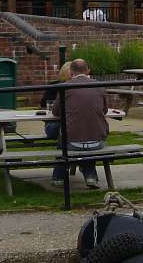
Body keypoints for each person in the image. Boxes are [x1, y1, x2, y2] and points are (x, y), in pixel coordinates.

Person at [50, 58, 108, 189]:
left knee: (64, 136)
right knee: (85, 135)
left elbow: (55, 112)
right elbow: (105, 110)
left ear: (71, 73)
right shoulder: (99, 86)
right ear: (88, 71)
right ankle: (91, 176)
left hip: (71, 143)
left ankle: (58, 178)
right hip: (97, 142)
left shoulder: (65, 87)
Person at [39, 62, 72, 140]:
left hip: (69, 124)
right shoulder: (54, 87)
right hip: (55, 124)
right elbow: (43, 106)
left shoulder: (80, 86)